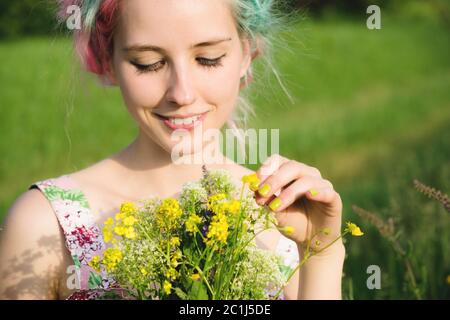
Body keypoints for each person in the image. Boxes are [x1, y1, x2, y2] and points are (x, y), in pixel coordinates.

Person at [0, 0, 345, 300]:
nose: (181, 93)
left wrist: (320, 253)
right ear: (108, 59)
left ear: (247, 54)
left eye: (208, 58)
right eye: (148, 63)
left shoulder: (283, 218)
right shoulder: (45, 225)